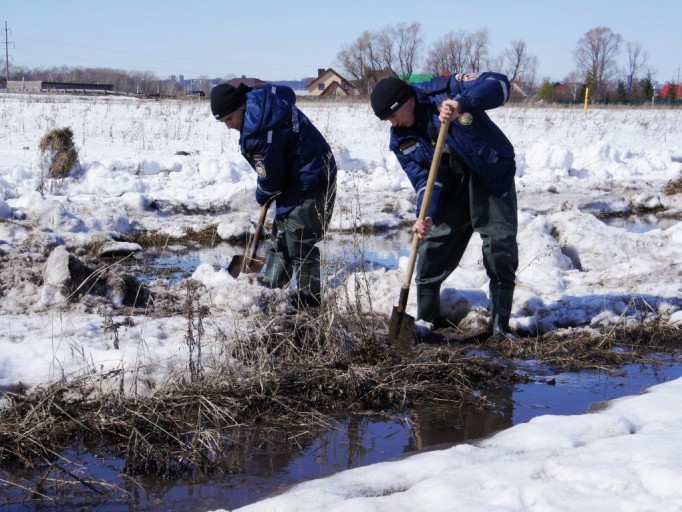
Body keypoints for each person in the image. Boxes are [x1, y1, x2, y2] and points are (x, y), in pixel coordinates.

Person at [370, 72, 518, 337]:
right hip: (452, 189)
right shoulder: (401, 140)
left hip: (490, 174)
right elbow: (425, 181)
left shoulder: (445, 90)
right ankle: (427, 323)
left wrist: (461, 102)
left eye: (392, 116)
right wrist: (426, 216)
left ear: (405, 102)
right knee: (431, 252)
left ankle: (500, 326)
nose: (392, 123)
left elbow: (499, 85)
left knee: (499, 248)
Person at [211, 82, 337, 309]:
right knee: (281, 239)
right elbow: (287, 92)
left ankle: (309, 300)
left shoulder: (257, 129)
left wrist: (264, 194)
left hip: (311, 174)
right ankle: (272, 290)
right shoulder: (262, 97)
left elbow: (272, 180)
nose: (228, 126)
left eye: (229, 119)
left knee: (300, 239)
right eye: (223, 122)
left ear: (241, 105)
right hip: (296, 172)